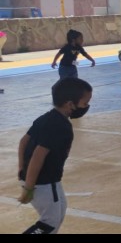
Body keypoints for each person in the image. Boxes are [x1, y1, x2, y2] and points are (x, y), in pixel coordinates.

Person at [18, 77, 93, 234]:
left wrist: (21, 170)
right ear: (70, 104)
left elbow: (23, 142)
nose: (86, 107)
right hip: (42, 182)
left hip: (44, 180)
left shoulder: (46, 118)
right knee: (50, 221)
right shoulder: (60, 126)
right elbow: (38, 156)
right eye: (85, 103)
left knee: (59, 211)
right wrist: (29, 187)